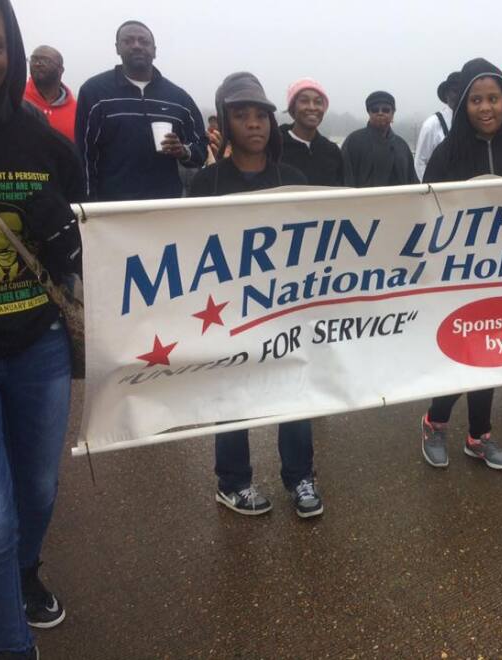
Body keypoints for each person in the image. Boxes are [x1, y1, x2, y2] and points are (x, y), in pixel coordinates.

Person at [188, 72, 323, 518]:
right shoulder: (206, 184)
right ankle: (233, 481)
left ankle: (300, 475)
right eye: (241, 115)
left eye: (261, 115)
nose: (254, 124)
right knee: (234, 393)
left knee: (294, 386)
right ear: (225, 124)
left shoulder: (295, 177)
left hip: (285, 307)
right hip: (227, 310)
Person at [0, 1, 85, 656]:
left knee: (36, 488)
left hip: (39, 347)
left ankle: (23, 574)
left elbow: (88, 254)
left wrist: (62, 236)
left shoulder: (47, 144)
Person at [420, 57, 502, 471]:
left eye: (494, 98)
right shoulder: (447, 152)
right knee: (460, 353)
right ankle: (436, 422)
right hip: (457, 274)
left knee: (493, 354)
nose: (486, 107)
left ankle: (478, 435)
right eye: (476, 99)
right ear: (464, 106)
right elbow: (426, 210)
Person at [74, 20, 208, 201]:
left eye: (144, 41)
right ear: (117, 48)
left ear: (154, 50)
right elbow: (84, 154)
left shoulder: (178, 98)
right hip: (112, 207)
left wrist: (182, 151)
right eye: (128, 41)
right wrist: (89, 205)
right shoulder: (95, 92)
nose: (137, 46)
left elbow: (201, 149)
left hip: (166, 206)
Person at [341, 90, 418, 187]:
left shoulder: (402, 146)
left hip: (399, 201)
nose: (380, 113)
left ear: (393, 113)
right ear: (369, 112)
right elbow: (345, 181)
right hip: (362, 201)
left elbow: (412, 183)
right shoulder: (353, 142)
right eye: (375, 109)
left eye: (386, 110)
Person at [279, 77, 343, 185]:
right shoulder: (275, 148)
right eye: (304, 101)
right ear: (292, 108)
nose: (312, 107)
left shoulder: (332, 151)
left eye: (318, 102)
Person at [22, 45, 76, 141]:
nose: (37, 64)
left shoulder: (76, 110)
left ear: (61, 70)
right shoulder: (15, 97)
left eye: (46, 60)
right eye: (33, 59)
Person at [414, 71, 460, 180]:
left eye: (463, 91)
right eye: (455, 91)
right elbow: (420, 162)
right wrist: (431, 190)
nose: (459, 96)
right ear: (446, 94)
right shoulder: (432, 125)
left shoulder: (474, 122)